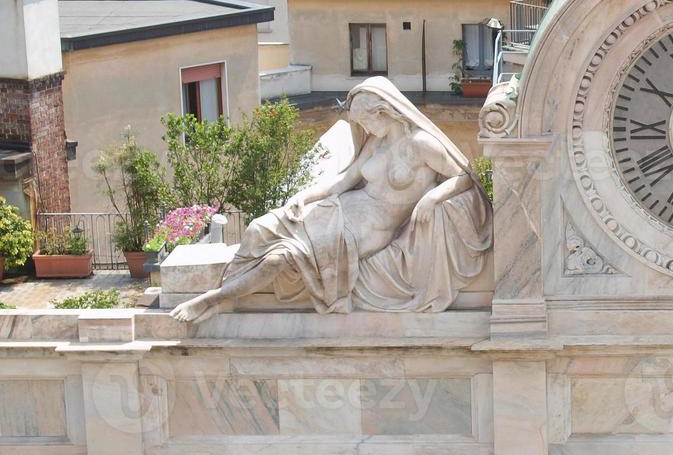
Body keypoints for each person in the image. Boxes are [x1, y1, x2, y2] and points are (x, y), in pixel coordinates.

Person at [171, 78, 491, 322]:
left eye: (366, 121)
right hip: (340, 210)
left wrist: (433, 197)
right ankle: (229, 286)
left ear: (384, 112)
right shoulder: (376, 143)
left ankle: (217, 298)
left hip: (367, 230)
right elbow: (345, 181)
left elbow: (465, 176)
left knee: (282, 258)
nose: (364, 129)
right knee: (260, 227)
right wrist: (302, 197)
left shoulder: (422, 144)